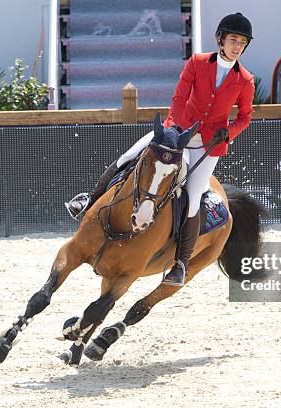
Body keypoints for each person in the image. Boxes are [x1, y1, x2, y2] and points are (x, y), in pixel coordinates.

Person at [65, 12, 255, 286]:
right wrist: (173, 128)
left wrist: (230, 131)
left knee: (191, 199)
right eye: (233, 39)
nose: (237, 46)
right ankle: (89, 202)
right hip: (176, 132)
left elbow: (245, 116)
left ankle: (180, 261)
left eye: (242, 42)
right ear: (220, 39)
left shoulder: (245, 80)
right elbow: (179, 97)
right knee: (126, 158)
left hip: (208, 145)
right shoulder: (198, 62)